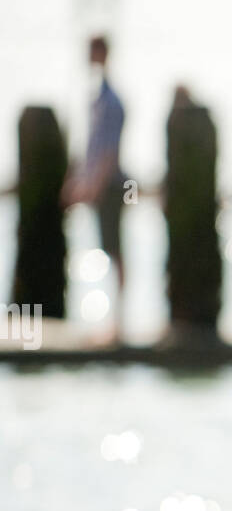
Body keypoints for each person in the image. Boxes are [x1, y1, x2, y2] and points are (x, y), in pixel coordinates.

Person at [62, 35, 128, 338]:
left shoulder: (110, 100)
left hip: (113, 186)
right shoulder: (98, 98)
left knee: (115, 249)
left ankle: (118, 320)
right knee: (108, 247)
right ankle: (112, 319)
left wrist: (93, 186)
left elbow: (108, 152)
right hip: (104, 184)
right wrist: (77, 181)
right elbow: (91, 148)